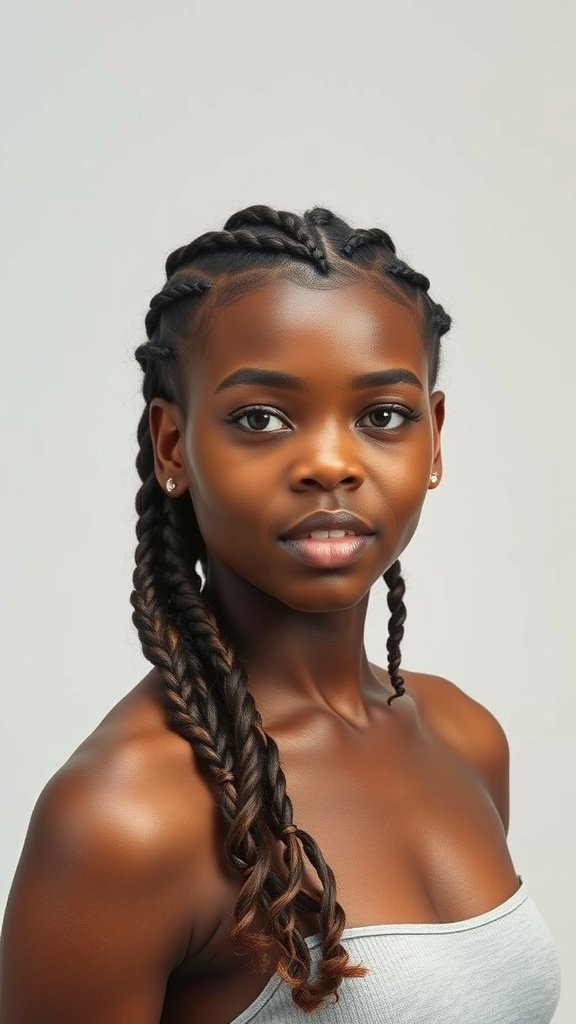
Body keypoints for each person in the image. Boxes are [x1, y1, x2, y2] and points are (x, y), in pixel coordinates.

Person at [0, 204, 561, 1023]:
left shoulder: (465, 737)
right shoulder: (121, 821)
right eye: (262, 418)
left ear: (433, 440)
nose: (330, 463)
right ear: (171, 446)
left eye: (383, 416)